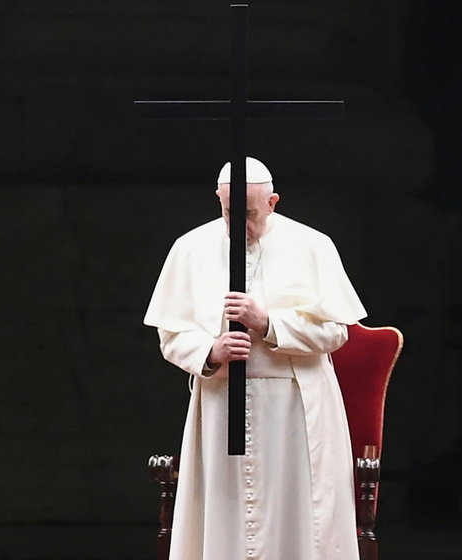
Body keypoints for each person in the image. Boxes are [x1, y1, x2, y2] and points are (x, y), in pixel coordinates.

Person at [144, 157, 367, 560]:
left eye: (250, 214)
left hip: (296, 409)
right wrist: (210, 351)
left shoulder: (313, 245)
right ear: (218, 199)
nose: (239, 225)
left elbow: (336, 331)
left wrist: (268, 323)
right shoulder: (190, 248)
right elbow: (171, 335)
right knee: (224, 517)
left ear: (273, 202)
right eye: (230, 212)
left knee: (299, 518)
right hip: (221, 402)